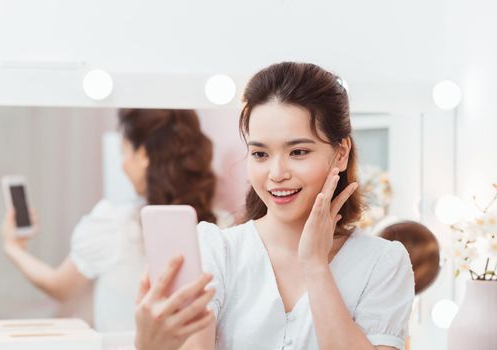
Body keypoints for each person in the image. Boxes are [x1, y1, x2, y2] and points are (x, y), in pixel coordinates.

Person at [135, 62, 415, 350]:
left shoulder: (383, 264)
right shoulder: (217, 252)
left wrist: (316, 267)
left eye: (298, 152)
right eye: (260, 154)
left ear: (340, 153)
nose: (277, 173)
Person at [2, 109, 217, 332]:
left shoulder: (114, 225)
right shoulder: (215, 228)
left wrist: (12, 248)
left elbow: (58, 286)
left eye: (124, 152)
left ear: (143, 155)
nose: (122, 165)